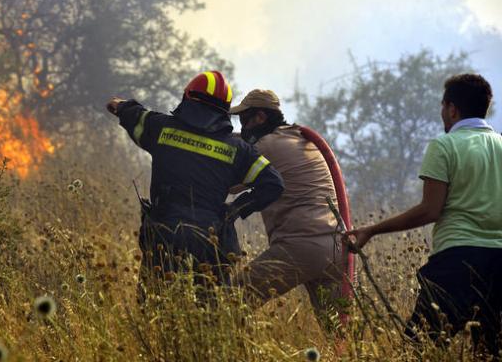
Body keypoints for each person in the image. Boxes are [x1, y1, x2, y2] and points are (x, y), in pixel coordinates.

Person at [346, 73, 502, 357]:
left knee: (417, 350)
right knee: (489, 353)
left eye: (443, 107)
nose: (442, 114)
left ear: (452, 108)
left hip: (457, 262)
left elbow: (431, 210)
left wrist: (373, 229)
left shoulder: (445, 146)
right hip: (500, 264)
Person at [106, 71, 284, 289]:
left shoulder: (160, 127)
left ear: (188, 98)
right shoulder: (239, 151)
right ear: (224, 111)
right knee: (207, 315)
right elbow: (273, 184)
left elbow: (130, 112)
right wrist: (236, 209)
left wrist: (119, 105)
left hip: (165, 238)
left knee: (154, 308)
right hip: (212, 241)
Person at [229, 89, 348, 326]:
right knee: (338, 334)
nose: (243, 128)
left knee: (231, 301)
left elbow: (232, 185)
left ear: (260, 117)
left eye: (245, 120)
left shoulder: (266, 145)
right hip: (336, 247)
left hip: (300, 246)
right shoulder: (300, 139)